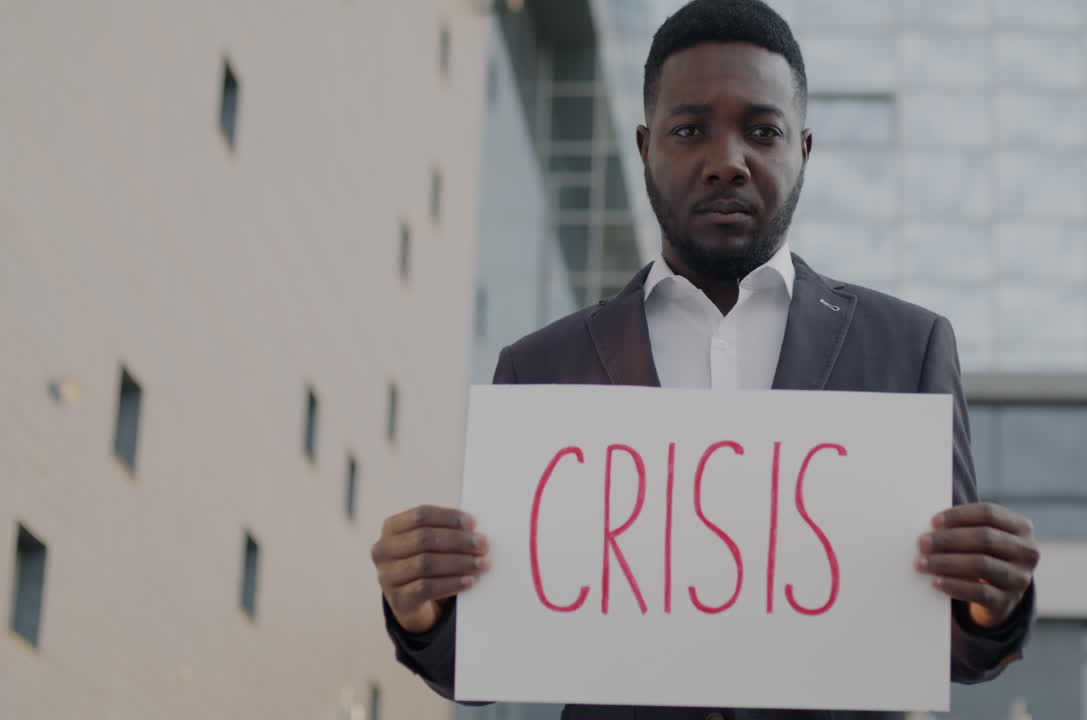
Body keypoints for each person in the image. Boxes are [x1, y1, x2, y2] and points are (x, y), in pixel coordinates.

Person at [369, 1, 1040, 718]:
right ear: (644, 147)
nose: (727, 161)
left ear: (803, 151)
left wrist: (990, 606)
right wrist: (422, 612)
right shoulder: (540, 369)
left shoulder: (909, 349)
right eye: (690, 130)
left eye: (763, 131)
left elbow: (954, 651)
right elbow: (484, 663)